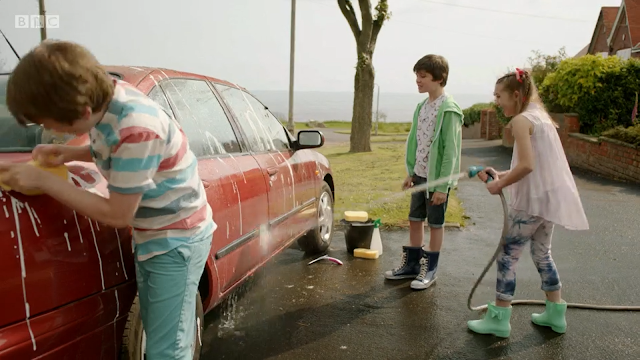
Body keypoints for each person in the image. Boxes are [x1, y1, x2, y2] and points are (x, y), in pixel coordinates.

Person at [0, 40, 216, 359]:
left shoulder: (138, 128)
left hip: (176, 240)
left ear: (83, 113)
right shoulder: (109, 99)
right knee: (160, 331)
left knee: (167, 348)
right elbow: (112, 146)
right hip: (158, 234)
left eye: (49, 124)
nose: (46, 130)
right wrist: (70, 153)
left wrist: (43, 179)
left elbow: (117, 213)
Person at [467, 68, 589, 337]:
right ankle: (555, 314)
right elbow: (538, 165)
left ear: (517, 94)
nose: (497, 101)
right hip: (547, 201)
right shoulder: (542, 118)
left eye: (500, 96)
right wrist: (500, 174)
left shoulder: (522, 121)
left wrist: (498, 184)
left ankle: (498, 319)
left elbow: (527, 165)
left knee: (508, 255)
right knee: (542, 253)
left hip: (529, 203)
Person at [384, 54, 463, 290]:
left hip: (437, 180)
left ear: (439, 78)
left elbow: (451, 151)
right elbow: (416, 143)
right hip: (419, 176)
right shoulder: (422, 107)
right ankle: (412, 266)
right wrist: (411, 172)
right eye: (417, 76)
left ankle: (430, 269)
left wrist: (443, 186)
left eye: (423, 76)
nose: (418, 81)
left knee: (435, 223)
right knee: (415, 219)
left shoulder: (449, 109)